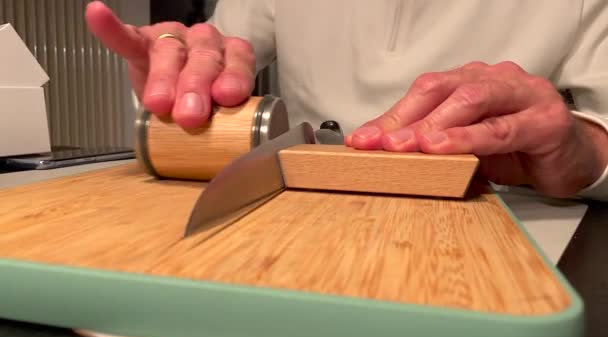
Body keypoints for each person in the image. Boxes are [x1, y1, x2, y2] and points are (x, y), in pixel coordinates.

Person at [84, 0, 608, 201]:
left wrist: (587, 152)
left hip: (498, 221)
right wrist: (187, 76)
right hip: (287, 226)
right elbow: (220, 56)